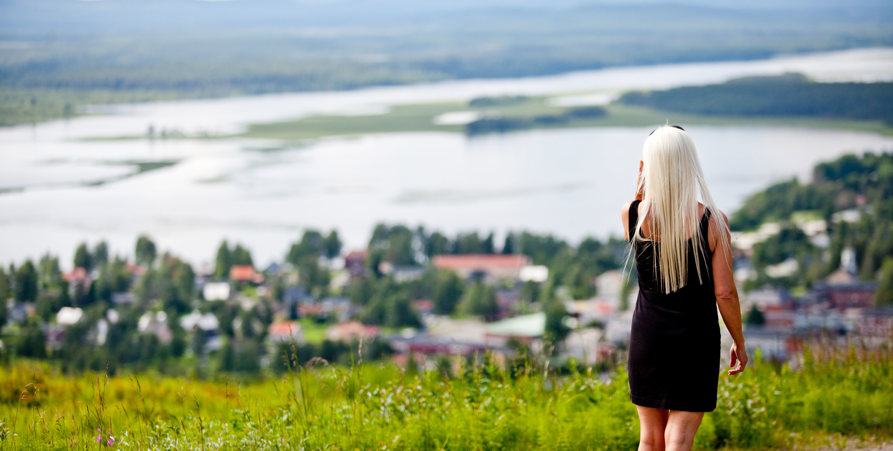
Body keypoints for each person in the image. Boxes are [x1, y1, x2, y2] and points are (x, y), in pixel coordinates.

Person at [621, 125, 747, 451]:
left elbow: (642, 207)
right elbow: (725, 293)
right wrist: (739, 341)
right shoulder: (713, 222)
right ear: (689, 163)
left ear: (648, 166)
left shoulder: (633, 214)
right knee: (679, 438)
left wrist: (642, 183)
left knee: (649, 439)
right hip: (695, 342)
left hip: (648, 337)